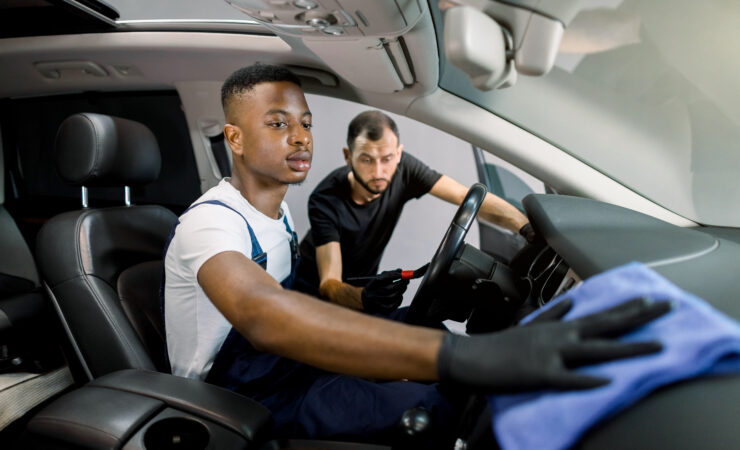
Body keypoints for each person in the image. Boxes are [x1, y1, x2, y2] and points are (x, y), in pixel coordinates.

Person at [163, 63, 669, 445]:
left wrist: (523, 225)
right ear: (235, 137)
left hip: (290, 364)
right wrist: (474, 357)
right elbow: (263, 315)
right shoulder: (211, 222)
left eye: (306, 123)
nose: (300, 137)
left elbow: (297, 299)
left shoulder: (278, 215)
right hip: (246, 396)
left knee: (430, 335)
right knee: (433, 402)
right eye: (277, 124)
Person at [294, 110, 536, 314]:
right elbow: (330, 284)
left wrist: (525, 227)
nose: (379, 171)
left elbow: (466, 197)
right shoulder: (325, 200)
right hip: (312, 298)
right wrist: (366, 298)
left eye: (387, 158)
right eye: (367, 160)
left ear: (398, 154)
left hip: (364, 295)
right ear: (348, 156)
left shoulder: (405, 169)